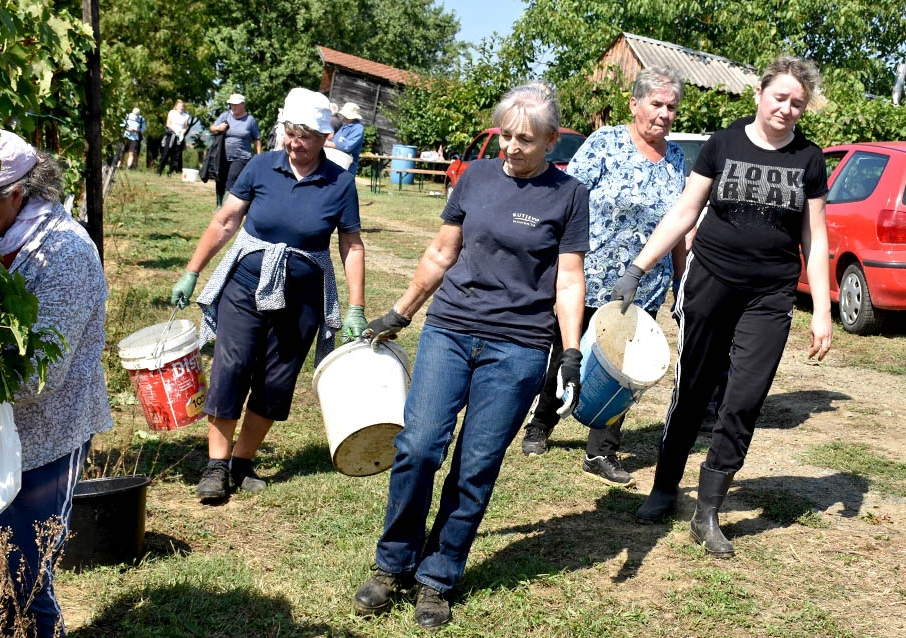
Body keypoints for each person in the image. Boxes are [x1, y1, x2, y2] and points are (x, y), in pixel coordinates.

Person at [353, 82, 589, 629]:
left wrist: (571, 351)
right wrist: (400, 312)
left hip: (519, 346)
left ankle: (437, 577)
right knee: (417, 447)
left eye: (525, 139)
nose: (511, 147)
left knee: (476, 465)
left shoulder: (569, 194)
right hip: (451, 330)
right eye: (506, 135)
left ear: (550, 140)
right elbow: (442, 252)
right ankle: (393, 563)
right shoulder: (476, 177)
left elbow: (569, 279)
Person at [617, 56, 832, 557]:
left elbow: (816, 238)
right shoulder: (723, 143)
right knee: (692, 388)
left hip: (770, 294)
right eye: (779, 97)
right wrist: (638, 269)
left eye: (797, 103)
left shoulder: (809, 159)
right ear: (760, 94)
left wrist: (822, 310)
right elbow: (685, 212)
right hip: (710, 281)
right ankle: (665, 485)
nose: (786, 108)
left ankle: (708, 511)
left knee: (744, 398)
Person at [170, 88, 367, 503]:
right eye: (291, 134)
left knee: (277, 379)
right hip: (246, 286)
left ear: (324, 137)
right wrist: (191, 271)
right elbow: (225, 221)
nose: (296, 143)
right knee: (231, 367)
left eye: (305, 137)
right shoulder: (260, 167)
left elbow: (351, 245)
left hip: (304, 297)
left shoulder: (340, 183)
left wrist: (355, 307)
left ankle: (241, 462)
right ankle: (216, 465)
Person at [0, 130, 112, 636]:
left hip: (46, 435)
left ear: (16, 194)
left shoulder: (66, 253)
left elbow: (39, 375)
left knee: (21, 575)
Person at [521, 66, 688, 489]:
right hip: (589, 273)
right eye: (656, 103)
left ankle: (601, 451)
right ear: (635, 104)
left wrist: (681, 281)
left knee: (623, 368)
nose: (664, 113)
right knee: (568, 352)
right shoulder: (605, 143)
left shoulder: (676, 159)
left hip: (645, 286)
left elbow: (679, 226)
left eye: (671, 107)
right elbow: (568, 197)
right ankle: (541, 422)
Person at [209, 93, 262, 207]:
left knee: (231, 178)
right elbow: (212, 128)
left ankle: (225, 207)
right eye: (231, 104)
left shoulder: (250, 120)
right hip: (223, 155)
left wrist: (259, 156)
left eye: (236, 104)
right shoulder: (225, 115)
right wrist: (218, 128)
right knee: (220, 179)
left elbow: (257, 139)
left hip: (241, 156)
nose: (233, 106)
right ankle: (219, 205)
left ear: (243, 105)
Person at [324, 102, 364, 176]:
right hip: (335, 161)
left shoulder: (358, 128)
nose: (344, 117)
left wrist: (329, 144)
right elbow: (335, 139)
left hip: (347, 165)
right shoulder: (345, 125)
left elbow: (347, 146)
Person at [156, 99, 189, 177]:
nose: (181, 108)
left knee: (175, 156)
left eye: (182, 106)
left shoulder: (186, 116)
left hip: (179, 137)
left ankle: (170, 172)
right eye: (179, 106)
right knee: (166, 154)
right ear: (176, 107)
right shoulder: (172, 112)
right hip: (171, 135)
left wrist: (182, 134)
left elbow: (185, 127)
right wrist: (175, 131)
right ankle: (159, 171)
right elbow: (168, 124)